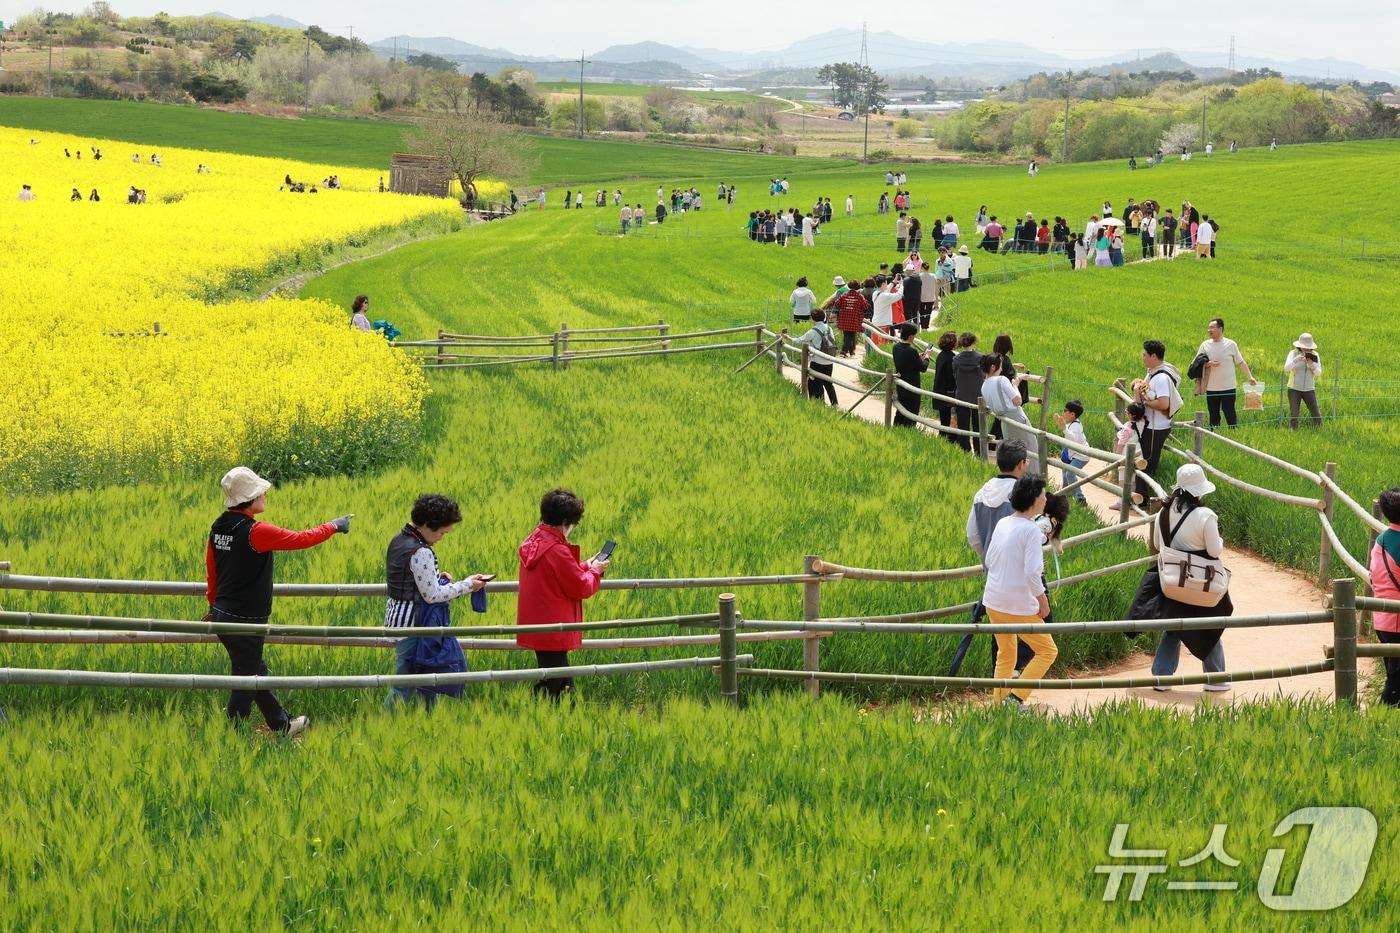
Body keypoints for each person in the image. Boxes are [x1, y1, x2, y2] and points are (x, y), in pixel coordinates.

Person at [205, 467, 351, 737]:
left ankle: (281, 724)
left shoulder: (219, 527)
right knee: (246, 681)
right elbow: (300, 539)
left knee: (255, 670)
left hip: (223, 615)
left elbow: (212, 571)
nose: (265, 494)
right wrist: (334, 526)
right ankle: (231, 738)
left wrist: (213, 607)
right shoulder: (255, 532)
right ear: (250, 498)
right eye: (260, 491)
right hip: (247, 620)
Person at [1126, 464, 1233, 693]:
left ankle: (1162, 678)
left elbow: (1157, 544)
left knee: (1174, 626)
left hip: (1172, 580)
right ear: (1199, 490)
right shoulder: (1205, 516)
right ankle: (1216, 678)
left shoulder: (1163, 511)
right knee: (1210, 626)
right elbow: (1215, 551)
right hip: (1200, 582)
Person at [383, 494, 491, 709]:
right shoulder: (420, 550)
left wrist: (437, 577)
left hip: (398, 619)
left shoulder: (400, 539)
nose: (443, 536)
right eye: (442, 531)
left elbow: (412, 579)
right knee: (407, 683)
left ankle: (427, 721)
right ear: (427, 525)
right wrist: (468, 584)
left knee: (427, 681)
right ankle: (385, 724)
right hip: (415, 626)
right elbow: (431, 595)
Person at [516, 489, 609, 701]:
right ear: (566, 522)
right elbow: (581, 587)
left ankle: (546, 714)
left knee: (560, 682)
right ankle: (536, 711)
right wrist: (596, 570)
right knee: (556, 684)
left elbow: (561, 573)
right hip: (554, 628)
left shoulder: (534, 541)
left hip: (538, 627)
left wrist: (587, 564)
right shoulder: (557, 550)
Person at [983, 473, 1058, 710]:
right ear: (1034, 499)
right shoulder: (1031, 531)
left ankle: (999, 704)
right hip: (1016, 605)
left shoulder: (1003, 523)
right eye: (1043, 494)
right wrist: (1043, 602)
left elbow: (989, 560)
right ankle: (1015, 699)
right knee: (1048, 651)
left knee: (1006, 653)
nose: (1046, 499)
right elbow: (1033, 573)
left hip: (993, 601)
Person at [1135, 340, 1182, 498]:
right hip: (1151, 425)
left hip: (1156, 427)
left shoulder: (1161, 377)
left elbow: (1163, 403)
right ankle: (1139, 497)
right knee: (1142, 461)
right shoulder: (1153, 373)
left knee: (1146, 463)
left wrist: (1145, 402)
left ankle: (1142, 499)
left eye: (1145, 355)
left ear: (1154, 356)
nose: (1143, 358)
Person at [1196, 318, 1256, 428]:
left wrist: (1250, 377)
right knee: (1213, 414)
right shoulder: (1205, 345)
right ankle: (1214, 435)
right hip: (1211, 387)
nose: (1209, 330)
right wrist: (1208, 364)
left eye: (1212, 327)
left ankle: (1233, 434)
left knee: (1229, 412)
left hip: (1228, 386)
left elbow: (1240, 362)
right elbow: (1196, 363)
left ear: (1220, 329)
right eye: (1208, 328)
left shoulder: (1231, 344)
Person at [1370, 487, 1400, 705]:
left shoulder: (1381, 539)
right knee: (1396, 682)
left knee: (1393, 674)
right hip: (1398, 621)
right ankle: (1380, 718)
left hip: (1382, 619)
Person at [982, 353, 1033, 456]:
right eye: (1000, 366)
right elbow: (1018, 401)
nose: (1001, 369)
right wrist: (1015, 385)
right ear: (993, 367)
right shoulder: (1002, 380)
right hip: (1017, 418)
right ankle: (1033, 472)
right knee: (1031, 447)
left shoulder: (984, 386)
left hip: (1004, 422)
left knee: (1012, 450)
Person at [794, 309, 840, 406]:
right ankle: (835, 404)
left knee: (814, 383)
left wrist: (788, 338)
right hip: (829, 361)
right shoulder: (829, 328)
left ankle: (819, 404)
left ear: (812, 319)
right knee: (828, 383)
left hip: (817, 362)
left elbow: (799, 340)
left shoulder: (812, 331)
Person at [891, 322, 930, 427]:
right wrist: (927, 357)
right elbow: (923, 368)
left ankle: (896, 429)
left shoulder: (896, 347)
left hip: (901, 384)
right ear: (910, 336)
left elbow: (907, 360)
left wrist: (917, 356)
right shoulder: (911, 351)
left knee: (900, 411)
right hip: (912, 386)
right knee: (912, 412)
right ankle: (909, 431)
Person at [952, 332, 984, 453]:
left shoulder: (956, 359)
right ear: (974, 342)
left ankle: (965, 449)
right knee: (978, 426)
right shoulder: (980, 358)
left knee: (963, 425)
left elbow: (955, 375)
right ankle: (979, 451)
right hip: (978, 397)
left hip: (961, 395)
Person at [1283, 333, 1323, 429]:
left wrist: (1311, 365)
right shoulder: (1293, 353)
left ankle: (1319, 430)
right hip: (1294, 388)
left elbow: (1318, 373)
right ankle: (1293, 432)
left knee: (1315, 413)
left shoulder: (1315, 355)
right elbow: (1286, 368)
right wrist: (1296, 360)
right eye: (1304, 347)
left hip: (1309, 389)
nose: (1306, 349)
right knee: (1294, 414)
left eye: (1308, 348)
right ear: (1300, 346)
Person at [1057, 400, 1089, 503]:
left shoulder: (1077, 426)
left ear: (1072, 414)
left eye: (1065, 410)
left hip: (1081, 455)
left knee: (1070, 474)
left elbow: (1073, 438)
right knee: (1065, 471)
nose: (1063, 412)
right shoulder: (1071, 423)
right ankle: (1066, 495)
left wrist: (1063, 428)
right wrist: (1063, 426)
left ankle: (1080, 497)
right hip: (1073, 454)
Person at [829, 276, 869, 357]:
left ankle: (851, 351)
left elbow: (837, 304)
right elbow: (865, 306)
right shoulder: (859, 297)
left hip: (844, 318)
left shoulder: (844, 295)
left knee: (847, 335)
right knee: (850, 335)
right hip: (854, 319)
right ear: (858, 287)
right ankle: (843, 351)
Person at [932, 331, 959, 443]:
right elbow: (952, 377)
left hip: (939, 390)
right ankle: (950, 441)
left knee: (944, 420)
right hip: (949, 393)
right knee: (951, 420)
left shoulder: (941, 355)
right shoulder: (952, 358)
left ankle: (942, 441)